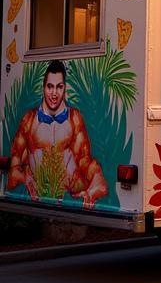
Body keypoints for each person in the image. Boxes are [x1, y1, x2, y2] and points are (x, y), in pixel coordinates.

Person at [8, 60, 108, 208]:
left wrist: (92, 190)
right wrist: (25, 179)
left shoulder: (74, 119)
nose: (54, 93)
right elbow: (14, 169)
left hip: (69, 201)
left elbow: (85, 162)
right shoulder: (29, 120)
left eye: (59, 87)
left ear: (64, 88)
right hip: (38, 203)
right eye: (50, 87)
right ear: (43, 88)